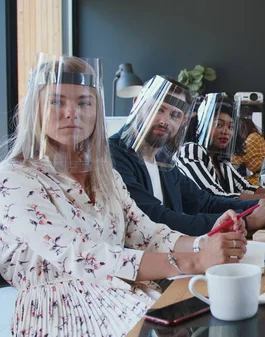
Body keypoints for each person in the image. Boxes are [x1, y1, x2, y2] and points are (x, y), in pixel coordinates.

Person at [0, 54, 248, 336]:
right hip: (61, 316)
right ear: (35, 109)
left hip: (125, 295)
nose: (72, 112)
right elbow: (82, 256)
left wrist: (204, 241)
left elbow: (147, 233)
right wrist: (195, 259)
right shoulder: (13, 178)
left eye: (84, 102)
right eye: (57, 101)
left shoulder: (106, 174)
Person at [109, 76, 265, 236]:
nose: (164, 121)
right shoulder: (113, 154)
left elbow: (204, 202)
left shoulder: (163, 160)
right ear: (137, 103)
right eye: (158, 109)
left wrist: (263, 204)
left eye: (175, 115)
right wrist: (249, 220)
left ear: (183, 121)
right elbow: (154, 217)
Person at [177, 93, 265, 199]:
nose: (226, 132)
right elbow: (215, 197)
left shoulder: (220, 158)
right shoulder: (190, 150)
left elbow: (246, 187)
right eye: (219, 125)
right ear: (202, 126)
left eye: (231, 127)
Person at [231, 106, 265, 186]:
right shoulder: (254, 135)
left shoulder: (253, 138)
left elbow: (235, 159)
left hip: (262, 179)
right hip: (258, 177)